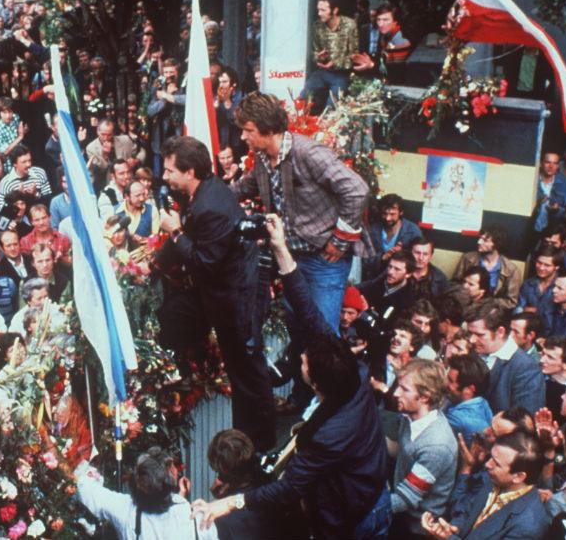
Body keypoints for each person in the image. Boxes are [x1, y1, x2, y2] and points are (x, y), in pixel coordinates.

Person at [191, 213, 390, 539]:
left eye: (305, 361)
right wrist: (281, 248)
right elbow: (309, 311)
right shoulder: (351, 371)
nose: (300, 356)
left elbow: (289, 488)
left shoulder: (328, 437)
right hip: (371, 489)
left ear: (315, 384)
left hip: (355, 515)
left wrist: (231, 503)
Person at [155, 136, 274, 450]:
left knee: (247, 374)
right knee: (243, 373)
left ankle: (259, 446)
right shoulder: (206, 193)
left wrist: (175, 231)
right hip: (229, 298)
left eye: (170, 171)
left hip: (237, 303)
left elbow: (205, 263)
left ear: (190, 171)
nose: (165, 177)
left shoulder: (211, 207)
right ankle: (248, 440)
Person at [236, 91, 369, 333]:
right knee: (298, 330)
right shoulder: (263, 157)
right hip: (293, 260)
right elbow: (245, 186)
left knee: (323, 335)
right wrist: (207, 194)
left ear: (267, 128)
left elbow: (357, 189)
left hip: (324, 261)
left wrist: (340, 240)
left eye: (248, 129)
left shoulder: (308, 153)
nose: (242, 136)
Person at [420, 431, 549, 540]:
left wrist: (448, 538)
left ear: (518, 476)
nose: (487, 464)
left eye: (497, 464)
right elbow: (466, 514)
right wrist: (449, 529)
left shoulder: (528, 524)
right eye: (491, 457)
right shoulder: (493, 480)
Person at [76, 446, 216, 540]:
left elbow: (85, 488)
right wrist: (180, 497)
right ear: (170, 480)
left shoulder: (125, 510)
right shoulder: (200, 518)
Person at [387, 359, 457, 539]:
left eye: (404, 389)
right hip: (400, 510)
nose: (396, 393)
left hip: (415, 529)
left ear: (425, 397)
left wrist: (360, 507)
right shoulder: (409, 417)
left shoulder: (436, 445)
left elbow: (406, 499)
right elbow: (400, 451)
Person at [466, 300, 545, 414]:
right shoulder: (474, 352)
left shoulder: (527, 370)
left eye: (480, 335)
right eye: (470, 333)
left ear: (500, 332)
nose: (472, 340)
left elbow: (524, 420)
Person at [301, 0, 358, 110]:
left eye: (323, 10)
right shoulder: (317, 26)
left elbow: (354, 56)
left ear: (335, 10)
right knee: (303, 98)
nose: (319, 13)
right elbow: (314, 53)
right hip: (322, 72)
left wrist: (336, 63)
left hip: (342, 74)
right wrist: (319, 57)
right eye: (318, 10)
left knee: (331, 107)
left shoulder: (350, 25)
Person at [452, 227, 523, 310]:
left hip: (492, 311)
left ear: (496, 244)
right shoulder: (468, 258)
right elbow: (454, 285)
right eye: (480, 238)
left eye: (485, 240)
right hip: (465, 305)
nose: (479, 242)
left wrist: (488, 303)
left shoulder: (511, 270)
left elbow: (511, 302)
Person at [444, 355, 493, 441]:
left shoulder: (457, 419)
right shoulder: (483, 403)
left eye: (451, 381)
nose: (445, 383)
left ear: (470, 389)